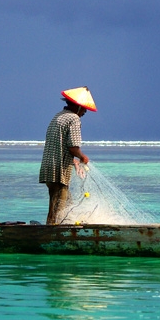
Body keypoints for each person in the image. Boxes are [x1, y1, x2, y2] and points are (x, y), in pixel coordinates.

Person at [39, 86, 97, 224]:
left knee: (61, 203)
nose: (84, 112)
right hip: (59, 170)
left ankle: (54, 229)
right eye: (83, 108)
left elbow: (61, 145)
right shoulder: (73, 118)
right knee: (59, 209)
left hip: (49, 167)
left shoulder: (58, 116)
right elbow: (73, 147)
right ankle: (53, 234)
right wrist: (82, 157)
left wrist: (75, 162)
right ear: (77, 107)